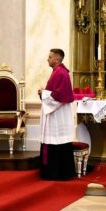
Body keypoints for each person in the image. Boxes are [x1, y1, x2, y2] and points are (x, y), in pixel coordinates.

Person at [39, 48, 76, 180]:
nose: (47, 59)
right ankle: (60, 173)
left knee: (56, 142)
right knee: (57, 142)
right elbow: (56, 93)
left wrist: (42, 93)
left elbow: (57, 97)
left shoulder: (60, 73)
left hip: (57, 115)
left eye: (50, 57)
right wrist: (44, 93)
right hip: (57, 114)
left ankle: (55, 173)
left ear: (57, 59)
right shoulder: (59, 71)